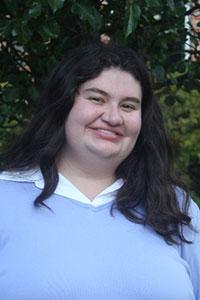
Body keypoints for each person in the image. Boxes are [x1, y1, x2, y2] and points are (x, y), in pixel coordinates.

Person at [0, 42, 199, 300]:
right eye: (96, 98)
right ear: (64, 104)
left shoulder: (175, 207)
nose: (113, 117)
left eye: (128, 106)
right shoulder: (4, 198)